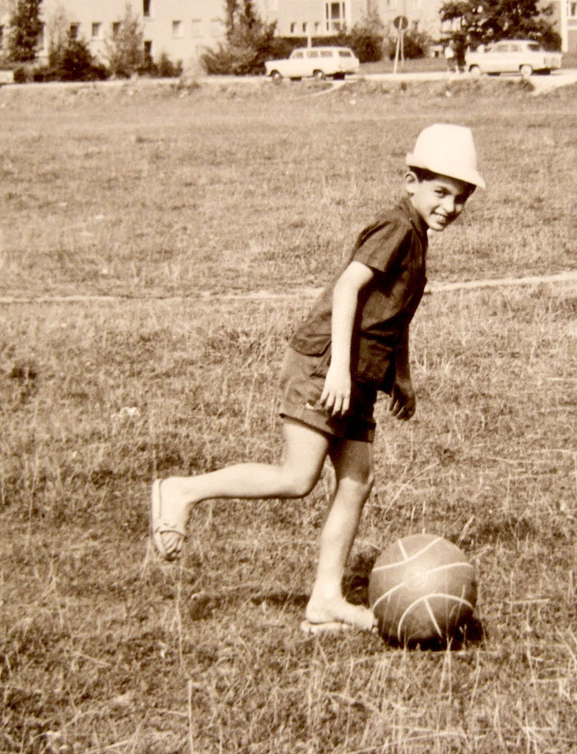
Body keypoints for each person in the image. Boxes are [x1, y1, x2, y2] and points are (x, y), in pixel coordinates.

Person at [150, 124, 486, 633]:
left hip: (361, 376)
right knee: (297, 477)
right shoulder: (395, 226)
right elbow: (349, 288)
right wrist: (336, 369)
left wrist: (403, 376)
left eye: (460, 198)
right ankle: (181, 491)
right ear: (410, 181)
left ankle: (325, 599)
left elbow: (394, 314)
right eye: (441, 192)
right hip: (327, 366)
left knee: (356, 481)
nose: (450, 206)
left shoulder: (418, 237)